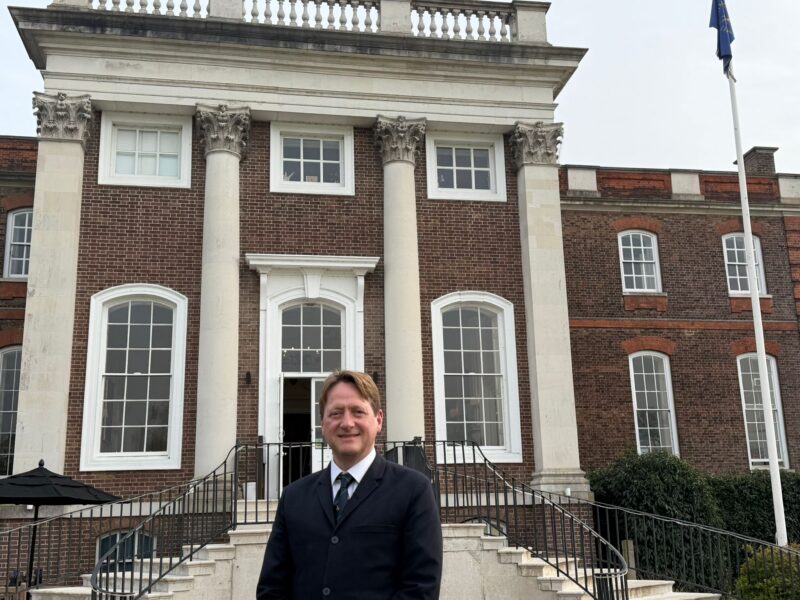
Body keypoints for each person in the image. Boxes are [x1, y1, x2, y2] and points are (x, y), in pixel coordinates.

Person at [256, 370, 443, 600]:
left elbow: (421, 588)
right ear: (323, 424)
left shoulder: (414, 490)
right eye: (335, 413)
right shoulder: (294, 497)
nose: (347, 423)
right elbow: (272, 588)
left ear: (378, 420)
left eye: (358, 412)